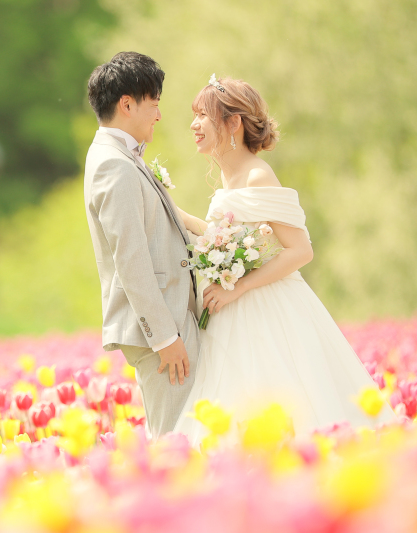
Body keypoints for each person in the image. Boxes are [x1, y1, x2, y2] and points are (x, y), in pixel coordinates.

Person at [173, 74, 395, 445]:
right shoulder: (230, 176)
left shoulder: (257, 176)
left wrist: (237, 288)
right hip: (231, 308)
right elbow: (220, 234)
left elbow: (300, 250)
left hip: (264, 307)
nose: (194, 125)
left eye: (203, 116)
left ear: (233, 122)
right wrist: (169, 206)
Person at [83, 52, 200, 440]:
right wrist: (165, 337)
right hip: (161, 329)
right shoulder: (113, 164)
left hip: (171, 319)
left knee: (186, 433)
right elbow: (130, 259)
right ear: (127, 104)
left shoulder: (121, 157)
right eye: (154, 104)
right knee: (174, 438)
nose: (159, 115)